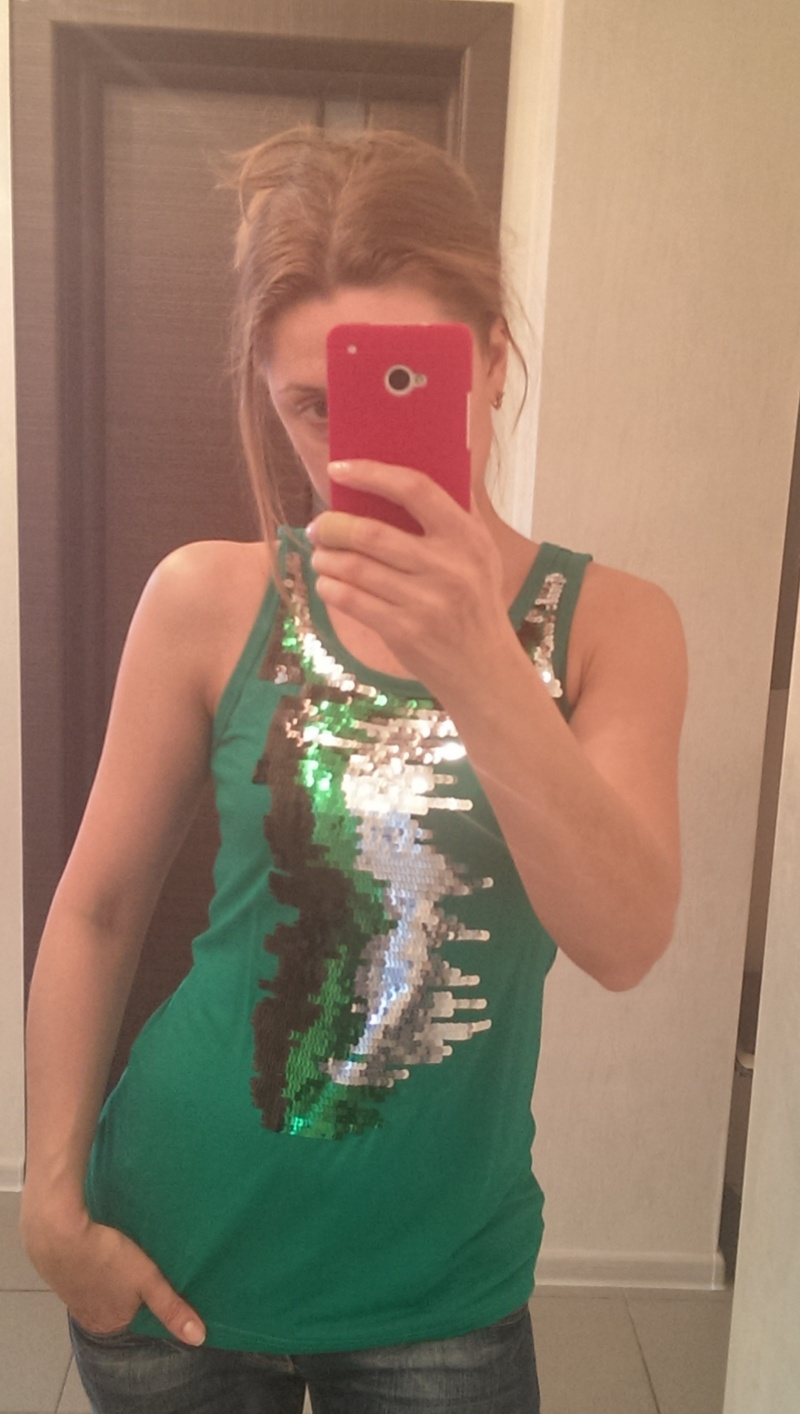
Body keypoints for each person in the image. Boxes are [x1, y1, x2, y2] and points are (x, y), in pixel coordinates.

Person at [20, 128, 687, 1414]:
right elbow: (97, 909)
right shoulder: (206, 598)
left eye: (398, 385)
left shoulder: (610, 626)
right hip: (170, 1259)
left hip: (438, 1294)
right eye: (309, 405)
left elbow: (621, 938)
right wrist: (50, 1201)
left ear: (491, 362)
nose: (349, 449)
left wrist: (476, 659)